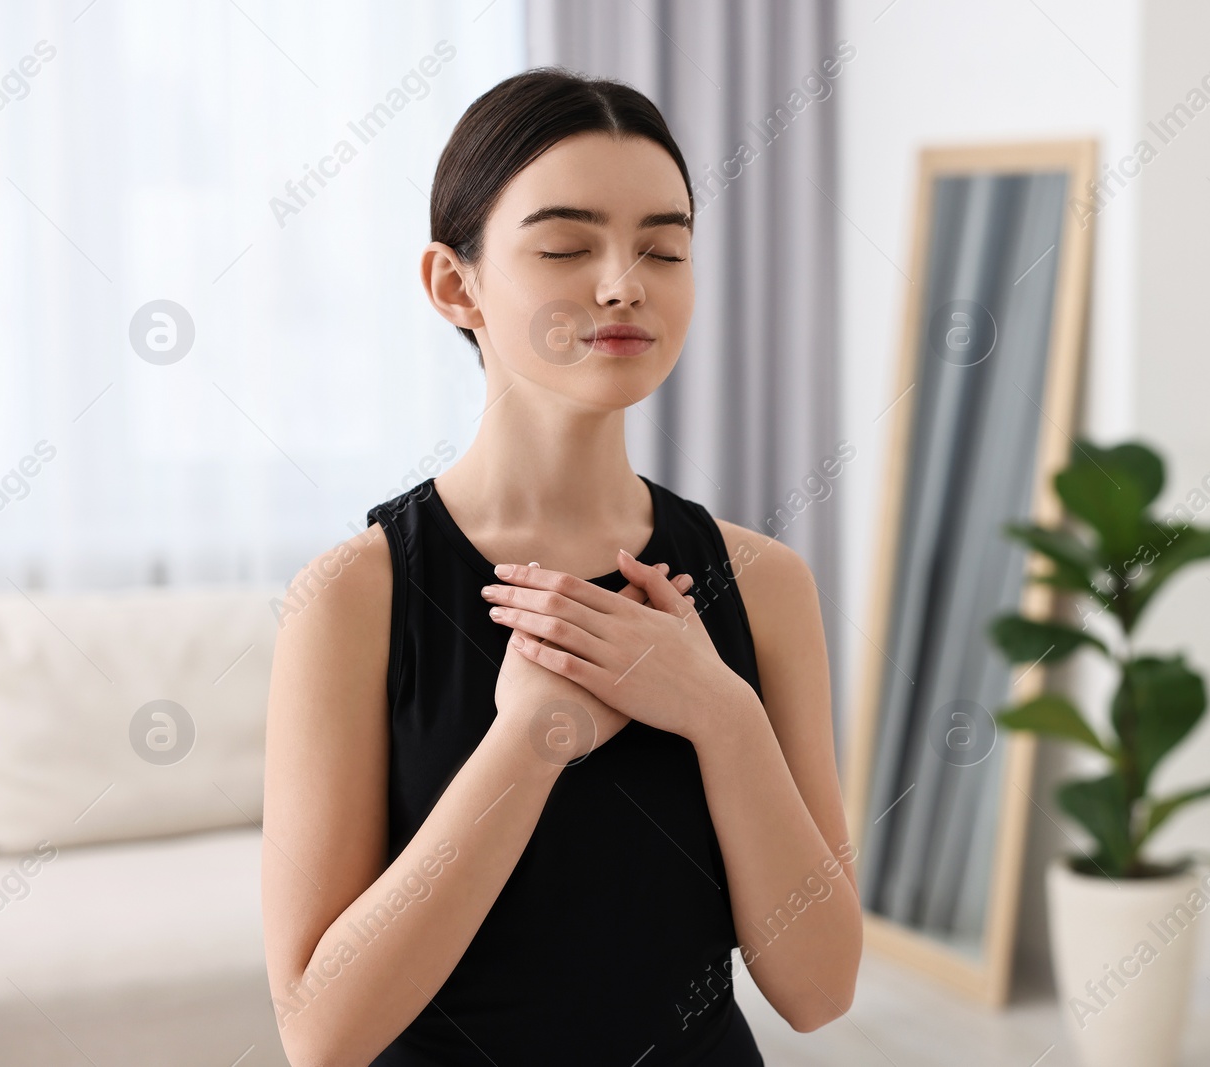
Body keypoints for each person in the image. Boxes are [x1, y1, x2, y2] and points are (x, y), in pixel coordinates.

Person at [261, 67, 862, 1066]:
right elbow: (321, 1033)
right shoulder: (353, 596)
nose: (624, 280)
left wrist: (717, 708)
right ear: (456, 285)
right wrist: (530, 739)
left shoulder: (763, 582)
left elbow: (819, 988)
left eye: (663, 247)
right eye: (566, 245)